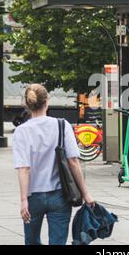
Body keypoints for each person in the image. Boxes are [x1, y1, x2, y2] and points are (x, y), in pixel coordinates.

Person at [12, 84, 94, 245]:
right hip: (60, 195)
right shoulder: (62, 125)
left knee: (31, 241)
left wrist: (23, 201)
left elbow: (24, 168)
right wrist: (86, 194)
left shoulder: (21, 131)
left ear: (26, 105)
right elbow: (73, 161)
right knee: (58, 241)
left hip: (33, 197)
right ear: (47, 102)